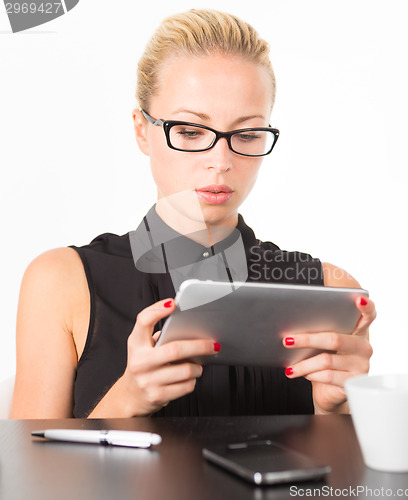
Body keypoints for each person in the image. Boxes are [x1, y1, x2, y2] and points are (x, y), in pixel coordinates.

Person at [10, 9, 375, 419]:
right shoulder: (61, 281)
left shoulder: (324, 288)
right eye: (190, 131)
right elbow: (29, 476)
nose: (220, 160)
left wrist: (333, 410)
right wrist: (127, 400)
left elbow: (344, 482)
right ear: (141, 130)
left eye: (248, 133)